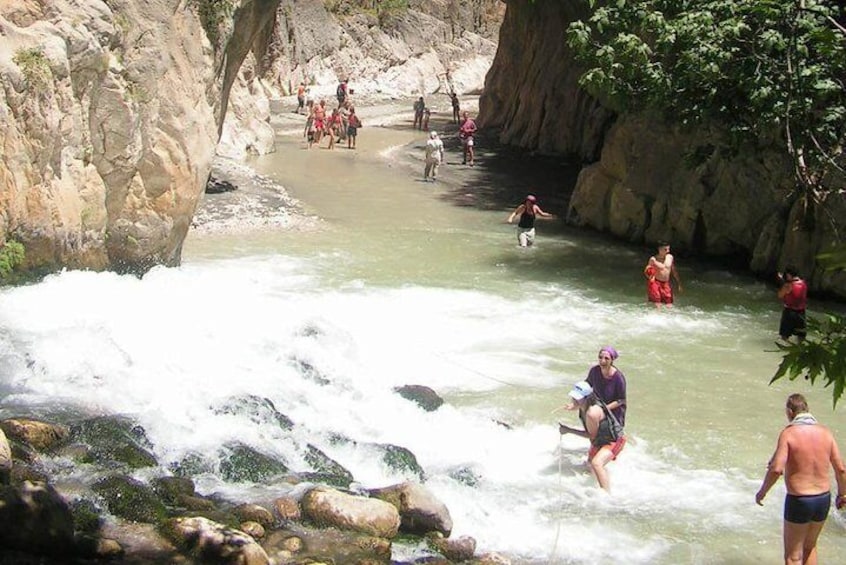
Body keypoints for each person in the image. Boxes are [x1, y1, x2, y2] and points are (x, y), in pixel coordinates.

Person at [755, 394, 846, 565]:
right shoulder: (826, 433)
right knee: (810, 547)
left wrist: (762, 492)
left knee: (793, 556)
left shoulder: (788, 434)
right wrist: (843, 494)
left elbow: (776, 469)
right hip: (822, 499)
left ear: (790, 412)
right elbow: (841, 468)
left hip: (800, 500)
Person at [558, 381, 626, 491]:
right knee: (589, 466)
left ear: (587, 398)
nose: (574, 400)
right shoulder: (585, 404)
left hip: (614, 440)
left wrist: (569, 430)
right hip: (601, 440)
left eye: (577, 398)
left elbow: (591, 435)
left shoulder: (592, 413)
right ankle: (603, 479)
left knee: (597, 464)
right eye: (573, 397)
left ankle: (606, 496)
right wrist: (572, 407)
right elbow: (578, 405)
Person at [585, 346, 627, 427]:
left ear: (612, 360)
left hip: (614, 412)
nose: (602, 361)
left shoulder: (618, 378)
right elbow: (586, 385)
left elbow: (621, 400)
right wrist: (575, 403)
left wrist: (604, 409)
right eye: (600, 357)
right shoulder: (594, 371)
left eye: (606, 358)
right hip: (598, 406)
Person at [646, 241, 682, 308]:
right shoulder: (653, 259)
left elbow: (673, 270)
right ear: (659, 249)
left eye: (668, 249)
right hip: (655, 282)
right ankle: (656, 317)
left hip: (666, 283)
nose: (668, 251)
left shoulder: (670, 257)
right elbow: (647, 270)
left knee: (669, 303)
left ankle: (669, 317)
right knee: (657, 303)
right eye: (665, 249)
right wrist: (650, 277)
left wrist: (679, 283)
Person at [777, 267, 807, 342]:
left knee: (784, 336)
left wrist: (783, 282)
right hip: (801, 313)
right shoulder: (803, 283)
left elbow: (780, 295)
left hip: (790, 312)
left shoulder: (788, 285)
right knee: (801, 336)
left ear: (788, 275)